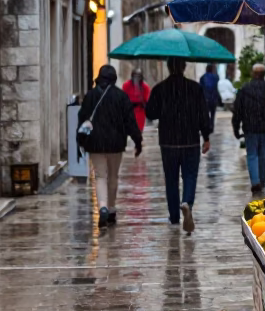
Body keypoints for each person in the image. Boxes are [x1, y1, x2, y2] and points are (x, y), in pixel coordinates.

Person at [146, 56, 211, 234]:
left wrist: (165, 109)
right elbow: (203, 115)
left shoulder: (159, 89)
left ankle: (174, 216)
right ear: (184, 67)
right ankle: (187, 202)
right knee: (190, 176)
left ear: (168, 68)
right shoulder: (195, 88)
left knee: (171, 179)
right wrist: (206, 136)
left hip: (168, 142)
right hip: (190, 140)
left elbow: (150, 113)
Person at [78, 65, 142, 228]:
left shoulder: (90, 96)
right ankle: (112, 210)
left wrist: (80, 141)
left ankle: (103, 207)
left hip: (95, 144)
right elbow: (130, 121)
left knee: (100, 176)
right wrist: (137, 141)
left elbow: (82, 119)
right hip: (116, 144)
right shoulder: (121, 97)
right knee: (113, 176)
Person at [232, 63, 265, 192]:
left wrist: (236, 128)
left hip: (250, 128)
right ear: (264, 74)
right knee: (263, 155)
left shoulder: (244, 90)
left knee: (252, 155)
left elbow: (237, 111)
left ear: (252, 74)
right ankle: (262, 181)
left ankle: (255, 182)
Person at [122, 68, 150, 134]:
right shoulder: (126, 85)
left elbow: (146, 101)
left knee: (139, 130)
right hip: (129, 111)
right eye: (135, 75)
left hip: (140, 112)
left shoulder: (145, 87)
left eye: (138, 76)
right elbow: (123, 98)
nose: (137, 78)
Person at [199, 63, 221, 131]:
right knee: (213, 114)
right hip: (213, 98)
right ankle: (211, 127)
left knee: (205, 114)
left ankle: (206, 126)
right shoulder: (216, 77)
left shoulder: (202, 77)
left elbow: (201, 88)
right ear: (212, 69)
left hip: (205, 98)